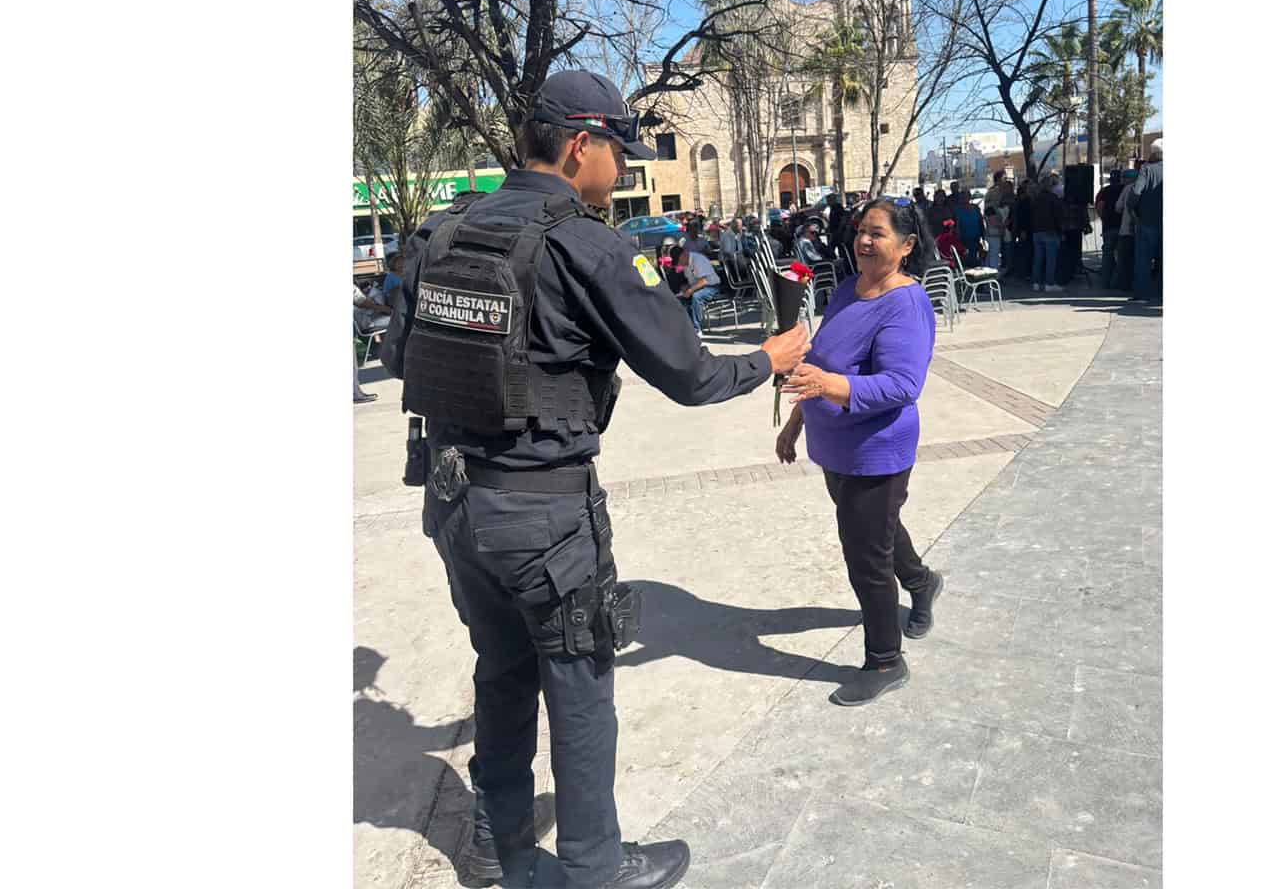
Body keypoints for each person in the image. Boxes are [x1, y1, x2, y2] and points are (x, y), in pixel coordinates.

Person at [381, 69, 809, 889]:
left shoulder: (445, 231)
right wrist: (770, 358)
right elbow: (691, 376)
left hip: (453, 505)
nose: (623, 170)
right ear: (581, 145)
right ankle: (591, 866)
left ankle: (505, 851)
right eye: (619, 151)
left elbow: (404, 358)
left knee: (502, 673)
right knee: (578, 687)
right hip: (542, 516)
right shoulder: (587, 242)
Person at [774, 197, 945, 707]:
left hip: (877, 450)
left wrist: (827, 386)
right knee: (878, 533)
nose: (865, 242)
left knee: (865, 557)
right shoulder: (849, 290)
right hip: (834, 446)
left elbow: (901, 384)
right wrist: (795, 422)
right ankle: (922, 580)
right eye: (860, 232)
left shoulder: (906, 304)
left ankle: (885, 660)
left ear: (907, 245)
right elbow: (822, 364)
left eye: (878, 234)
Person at [1128, 151, 1163, 302]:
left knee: (1143, 259)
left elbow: (1136, 191)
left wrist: (1132, 209)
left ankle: (1142, 294)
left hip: (1147, 221)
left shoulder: (1147, 169)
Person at [675, 236, 723, 331]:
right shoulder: (686, 263)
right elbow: (691, 282)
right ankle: (686, 327)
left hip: (712, 286)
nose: (680, 264)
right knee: (680, 299)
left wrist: (689, 290)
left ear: (684, 255)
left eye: (679, 261)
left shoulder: (698, 259)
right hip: (699, 286)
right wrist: (685, 288)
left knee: (696, 297)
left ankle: (696, 329)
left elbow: (703, 281)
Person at [1030, 173, 1065, 293]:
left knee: (1038, 258)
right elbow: (1058, 217)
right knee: (1051, 259)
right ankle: (1049, 283)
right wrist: (1061, 231)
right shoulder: (1053, 199)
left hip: (1037, 231)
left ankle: (1036, 283)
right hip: (1050, 231)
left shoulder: (1036, 199)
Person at [1094, 169, 1127, 293]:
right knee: (1122, 256)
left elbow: (1099, 207)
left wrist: (1104, 219)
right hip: (1123, 227)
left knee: (1107, 255)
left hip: (1108, 227)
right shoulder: (1126, 189)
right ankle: (1119, 282)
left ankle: (1106, 281)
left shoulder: (1105, 191)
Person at [1112, 167, 1139, 294]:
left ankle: (1124, 285)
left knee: (1124, 259)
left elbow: (1118, 207)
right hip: (1142, 230)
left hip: (1126, 230)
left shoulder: (1128, 189)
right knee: (1138, 259)